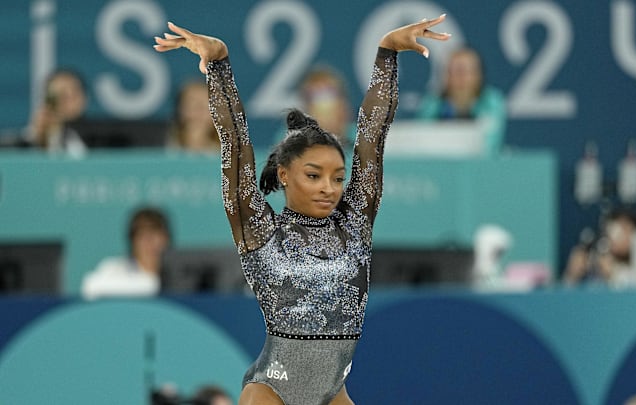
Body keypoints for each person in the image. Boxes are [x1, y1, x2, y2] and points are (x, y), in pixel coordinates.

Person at [154, 14, 450, 405]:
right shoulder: (261, 231)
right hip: (271, 391)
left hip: (332, 395)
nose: (329, 188)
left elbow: (371, 139)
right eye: (314, 176)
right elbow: (236, 145)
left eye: (338, 178)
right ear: (285, 175)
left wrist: (387, 53)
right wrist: (220, 65)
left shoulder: (354, 224)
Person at [416, 47, 506, 156]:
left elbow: (489, 145)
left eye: (464, 71)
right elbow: (423, 141)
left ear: (478, 75)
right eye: (453, 71)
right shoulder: (432, 104)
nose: (459, 78)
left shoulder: (491, 102)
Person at [82, 206, 171, 300]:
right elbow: (90, 286)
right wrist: (151, 283)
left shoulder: (180, 275)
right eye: (142, 235)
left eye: (155, 234)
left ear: (166, 238)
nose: (149, 242)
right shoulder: (113, 269)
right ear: (133, 242)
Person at [563, 207, 636, 287]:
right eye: (615, 229)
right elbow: (565, 294)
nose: (619, 236)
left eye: (626, 230)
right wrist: (571, 276)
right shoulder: (594, 259)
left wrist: (614, 274)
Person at [23, 68, 88, 157]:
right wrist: (40, 139)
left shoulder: (103, 137)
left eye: (72, 95)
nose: (67, 102)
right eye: (60, 96)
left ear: (85, 98)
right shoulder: (32, 137)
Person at [166, 80, 221, 153]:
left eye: (206, 105)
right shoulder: (161, 147)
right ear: (180, 109)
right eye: (192, 105)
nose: (199, 111)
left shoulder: (231, 153)